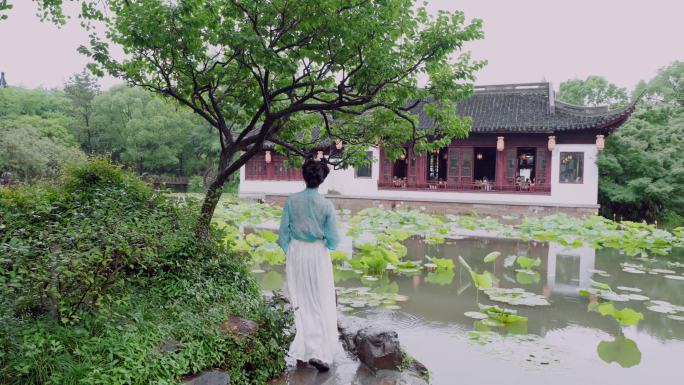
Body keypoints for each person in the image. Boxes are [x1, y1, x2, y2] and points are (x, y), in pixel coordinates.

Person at [278, 157, 340, 372]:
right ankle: (318, 351)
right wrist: (323, 244)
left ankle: (303, 350)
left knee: (300, 300)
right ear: (321, 180)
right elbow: (333, 241)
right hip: (317, 254)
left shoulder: (291, 201)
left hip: (296, 251)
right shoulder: (326, 204)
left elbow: (282, 235)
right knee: (319, 299)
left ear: (304, 176)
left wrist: (292, 252)